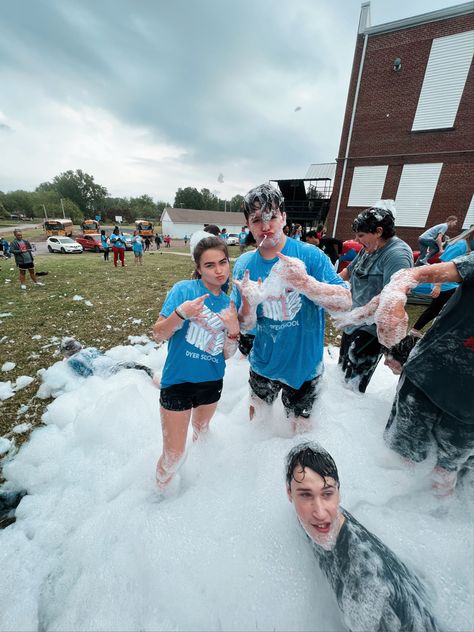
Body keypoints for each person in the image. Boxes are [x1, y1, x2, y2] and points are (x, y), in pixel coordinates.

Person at [231, 183, 351, 432]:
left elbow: (345, 302)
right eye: (256, 219)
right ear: (248, 224)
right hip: (263, 362)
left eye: (272, 216)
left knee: (301, 430)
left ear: (284, 217)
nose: (265, 226)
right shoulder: (244, 264)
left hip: (304, 367)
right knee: (256, 426)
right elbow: (245, 325)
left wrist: (305, 283)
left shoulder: (311, 256)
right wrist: (249, 306)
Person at [286, 442, 440, 632]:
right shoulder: (323, 521)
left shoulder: (365, 583)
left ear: (338, 493)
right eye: (306, 495)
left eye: (327, 494)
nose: (320, 512)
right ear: (289, 494)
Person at [368, 254, 474, 496]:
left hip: (468, 410)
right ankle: (386, 511)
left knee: (446, 476)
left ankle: (427, 523)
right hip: (425, 379)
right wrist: (393, 299)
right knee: (401, 459)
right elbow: (413, 274)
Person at [152, 235, 240, 493]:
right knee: (173, 455)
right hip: (178, 382)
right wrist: (181, 314)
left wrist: (233, 330)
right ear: (199, 268)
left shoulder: (229, 304)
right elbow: (158, 334)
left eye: (223, 262)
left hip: (211, 382)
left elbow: (226, 354)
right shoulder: (184, 290)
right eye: (210, 265)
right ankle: (158, 496)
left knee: (202, 431)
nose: (219, 270)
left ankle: (199, 483)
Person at [336, 202, 413, 393]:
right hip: (352, 321)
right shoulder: (369, 248)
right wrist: (324, 286)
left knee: (352, 383)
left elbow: (391, 299)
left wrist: (358, 315)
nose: (357, 239)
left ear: (378, 231)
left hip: (371, 327)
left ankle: (350, 416)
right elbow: (348, 271)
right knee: (340, 372)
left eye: (361, 235)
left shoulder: (397, 255)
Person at [410, 225, 474, 336]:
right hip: (446, 285)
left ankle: (418, 330)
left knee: (438, 309)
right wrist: (438, 285)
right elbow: (443, 264)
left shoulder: (466, 244)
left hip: (451, 284)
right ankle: (418, 331)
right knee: (438, 310)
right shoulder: (460, 245)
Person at [59, 337, 155, 379]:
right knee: (137, 367)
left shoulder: (73, 361)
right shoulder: (90, 350)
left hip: (107, 374)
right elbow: (104, 357)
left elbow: (87, 376)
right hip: (115, 364)